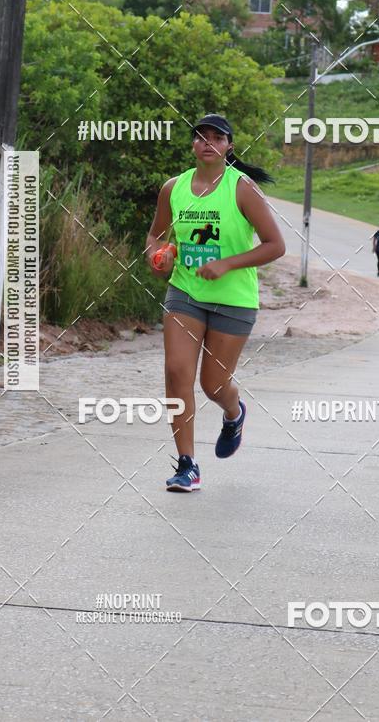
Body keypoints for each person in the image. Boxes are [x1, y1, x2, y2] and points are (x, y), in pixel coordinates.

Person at [146, 114, 286, 492]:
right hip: (185, 293)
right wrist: (159, 255)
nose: (207, 143)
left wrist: (227, 264)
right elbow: (156, 236)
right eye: (200, 137)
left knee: (213, 385)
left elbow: (276, 245)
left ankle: (233, 412)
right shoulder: (173, 188)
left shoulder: (242, 189)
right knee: (177, 372)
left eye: (216, 137)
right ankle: (187, 465)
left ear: (228, 146)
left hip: (233, 300)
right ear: (193, 144)